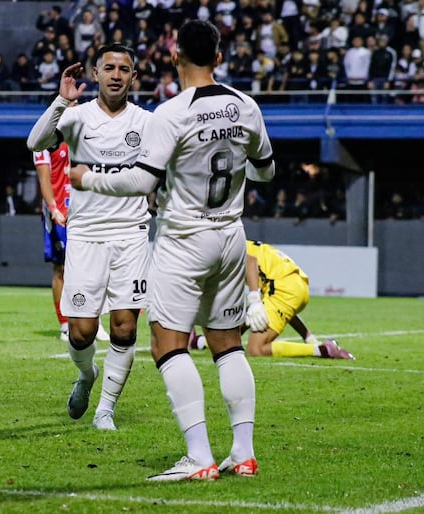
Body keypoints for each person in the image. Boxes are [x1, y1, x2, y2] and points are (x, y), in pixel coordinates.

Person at [70, 20, 276, 481]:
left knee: (167, 343)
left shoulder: (172, 112)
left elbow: (142, 182)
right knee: (228, 344)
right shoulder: (246, 105)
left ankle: (199, 456)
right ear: (219, 58)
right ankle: (242, 453)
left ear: (175, 56)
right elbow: (266, 172)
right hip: (230, 236)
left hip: (184, 238)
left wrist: (89, 178)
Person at [27, 43, 152, 432]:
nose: (117, 75)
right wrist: (60, 102)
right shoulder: (76, 116)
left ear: (134, 76)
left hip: (131, 234)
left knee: (125, 327)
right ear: (95, 74)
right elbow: (35, 142)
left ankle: (105, 411)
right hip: (85, 236)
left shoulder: (148, 122)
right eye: (109, 68)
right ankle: (85, 376)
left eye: (125, 69)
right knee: (81, 332)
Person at [189, 241, 355, 360]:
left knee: (255, 349)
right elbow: (282, 307)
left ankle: (322, 350)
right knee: (245, 322)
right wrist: (307, 335)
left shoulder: (226, 247)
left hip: (283, 288)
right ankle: (200, 342)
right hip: (295, 286)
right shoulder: (239, 242)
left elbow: (250, 261)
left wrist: (254, 299)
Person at [33, 141, 111, 343]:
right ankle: (65, 324)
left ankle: (95, 322)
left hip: (86, 212)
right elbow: (44, 178)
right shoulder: (46, 139)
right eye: (69, 105)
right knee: (62, 269)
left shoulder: (86, 134)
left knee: (93, 268)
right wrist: (52, 208)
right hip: (60, 214)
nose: (73, 107)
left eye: (75, 105)